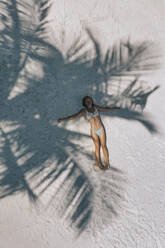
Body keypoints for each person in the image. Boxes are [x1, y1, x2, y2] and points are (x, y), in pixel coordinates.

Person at [58, 96, 120, 170]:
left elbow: (105, 108)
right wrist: (63, 119)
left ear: (92, 101)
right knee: (97, 147)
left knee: (104, 146)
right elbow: (73, 116)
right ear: (84, 103)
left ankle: (107, 163)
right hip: (93, 131)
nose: (89, 101)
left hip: (101, 129)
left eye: (90, 100)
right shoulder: (83, 111)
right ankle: (99, 164)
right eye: (87, 100)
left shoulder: (96, 107)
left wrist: (114, 108)